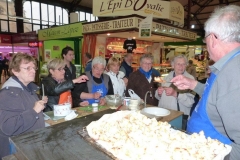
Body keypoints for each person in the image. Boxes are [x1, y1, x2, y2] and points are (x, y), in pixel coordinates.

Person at [171, 5, 240, 159]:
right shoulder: (226, 64)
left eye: (206, 38)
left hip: (212, 153)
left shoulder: (235, 72)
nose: (205, 44)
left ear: (213, 39)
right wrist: (193, 85)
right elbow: (216, 96)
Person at [0, 53, 48, 159]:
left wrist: (39, 104)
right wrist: (34, 111)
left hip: (29, 146)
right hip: (17, 151)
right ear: (15, 71)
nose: (33, 71)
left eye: (34, 67)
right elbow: (8, 127)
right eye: (27, 68)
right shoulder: (9, 93)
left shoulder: (28, 88)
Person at [155, 55, 195, 130]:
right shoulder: (166, 78)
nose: (181, 66)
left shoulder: (190, 80)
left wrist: (176, 94)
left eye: (183, 64)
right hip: (163, 116)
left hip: (178, 119)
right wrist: (158, 93)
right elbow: (158, 97)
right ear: (173, 65)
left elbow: (190, 102)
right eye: (178, 64)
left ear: (186, 65)